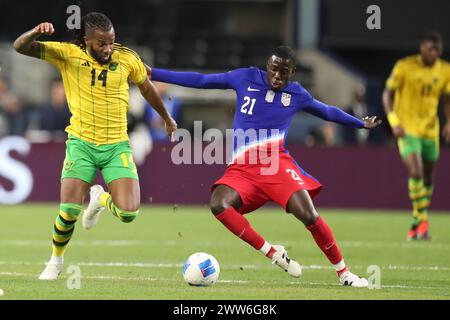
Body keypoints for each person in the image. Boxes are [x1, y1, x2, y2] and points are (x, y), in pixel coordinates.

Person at [148, 46, 381, 287]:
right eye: (274, 69)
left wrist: (360, 124)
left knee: (309, 215)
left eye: (284, 72)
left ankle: (345, 274)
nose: (278, 76)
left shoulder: (297, 94)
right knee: (219, 204)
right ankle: (272, 253)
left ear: (292, 73)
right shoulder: (245, 77)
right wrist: (155, 73)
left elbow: (327, 111)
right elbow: (202, 80)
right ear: (267, 66)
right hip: (243, 168)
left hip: (276, 165)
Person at [13, 12, 177, 280]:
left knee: (128, 213)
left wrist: (167, 118)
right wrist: (35, 31)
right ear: (87, 40)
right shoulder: (68, 54)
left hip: (116, 146)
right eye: (102, 43)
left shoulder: (127, 58)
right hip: (81, 144)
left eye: (111, 42)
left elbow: (146, 88)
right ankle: (55, 260)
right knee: (68, 211)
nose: (108, 49)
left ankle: (99, 198)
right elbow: (20, 47)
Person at [382, 31, 450, 241]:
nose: (431, 53)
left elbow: (448, 98)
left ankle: (416, 220)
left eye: (435, 50)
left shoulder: (445, 70)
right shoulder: (405, 66)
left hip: (430, 130)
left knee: (428, 175)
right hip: (407, 128)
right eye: (428, 48)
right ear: (422, 48)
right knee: (417, 172)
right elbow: (387, 94)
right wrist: (394, 121)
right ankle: (423, 221)